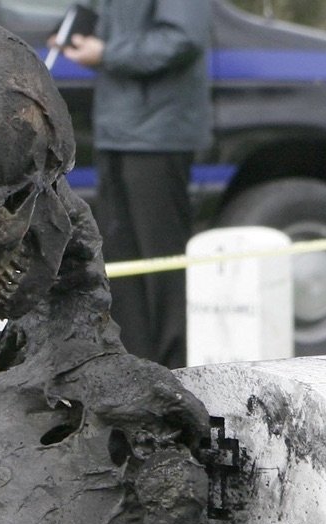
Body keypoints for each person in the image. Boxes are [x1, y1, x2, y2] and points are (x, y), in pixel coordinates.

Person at [60, 0, 212, 368]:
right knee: (121, 258)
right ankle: (135, 366)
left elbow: (181, 39)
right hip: (117, 130)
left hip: (159, 135)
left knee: (161, 261)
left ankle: (174, 369)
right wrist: (74, 34)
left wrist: (106, 53)